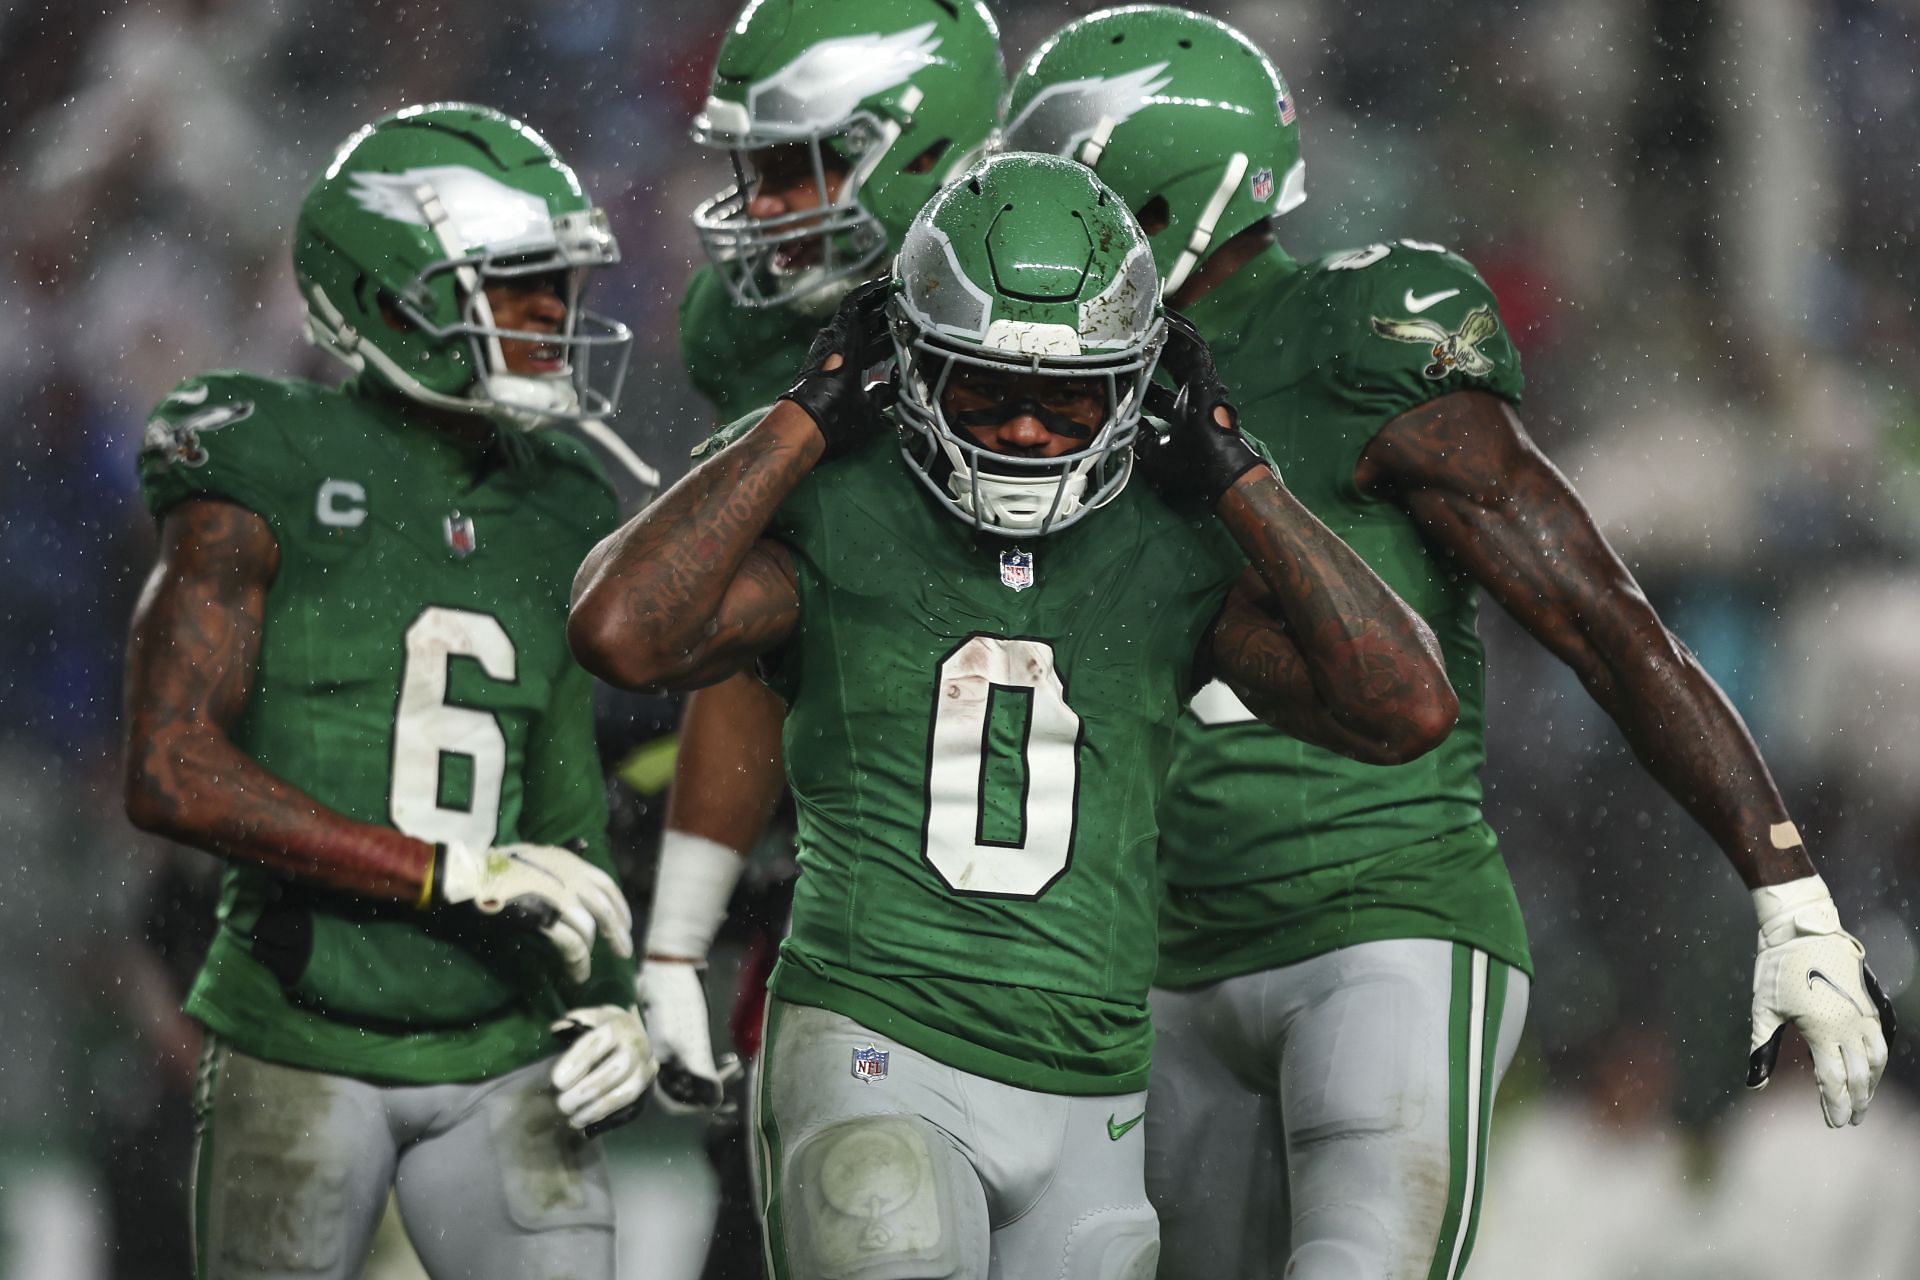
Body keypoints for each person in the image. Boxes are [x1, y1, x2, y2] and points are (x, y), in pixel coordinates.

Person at [1000, 11, 1898, 1280]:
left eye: (1066, 186)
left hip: (1379, 920)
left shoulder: (1364, 331)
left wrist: (1790, 892)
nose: (1025, 233)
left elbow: (1607, 623)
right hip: (1156, 952)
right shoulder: (1020, 394)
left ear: (1154, 193)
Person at [570, 151, 1456, 1280]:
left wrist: (1241, 471)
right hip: (877, 1040)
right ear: (907, 367)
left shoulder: (1167, 538)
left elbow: (1406, 707)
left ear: (1137, 385)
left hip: (1093, 1085)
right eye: (987, 390)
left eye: (1069, 396)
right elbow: (620, 629)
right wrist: (801, 417)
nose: (1030, 431)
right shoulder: (841, 500)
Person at [122, 103, 656, 1280]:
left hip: (508, 1038)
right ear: (388, 293)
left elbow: (561, 800)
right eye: (517, 288)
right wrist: (442, 868)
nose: (555, 321)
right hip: (299, 1028)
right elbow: (170, 768)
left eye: (559, 288)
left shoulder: (561, 496)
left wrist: (616, 995)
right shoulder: (263, 448)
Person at [646, 0, 1005, 1121]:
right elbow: (770, 641)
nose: (764, 212)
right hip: (855, 890)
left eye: (796, 172)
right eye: (756, 172)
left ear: (923, 148)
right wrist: (675, 941)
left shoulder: (1069, 312)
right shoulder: (755, 327)